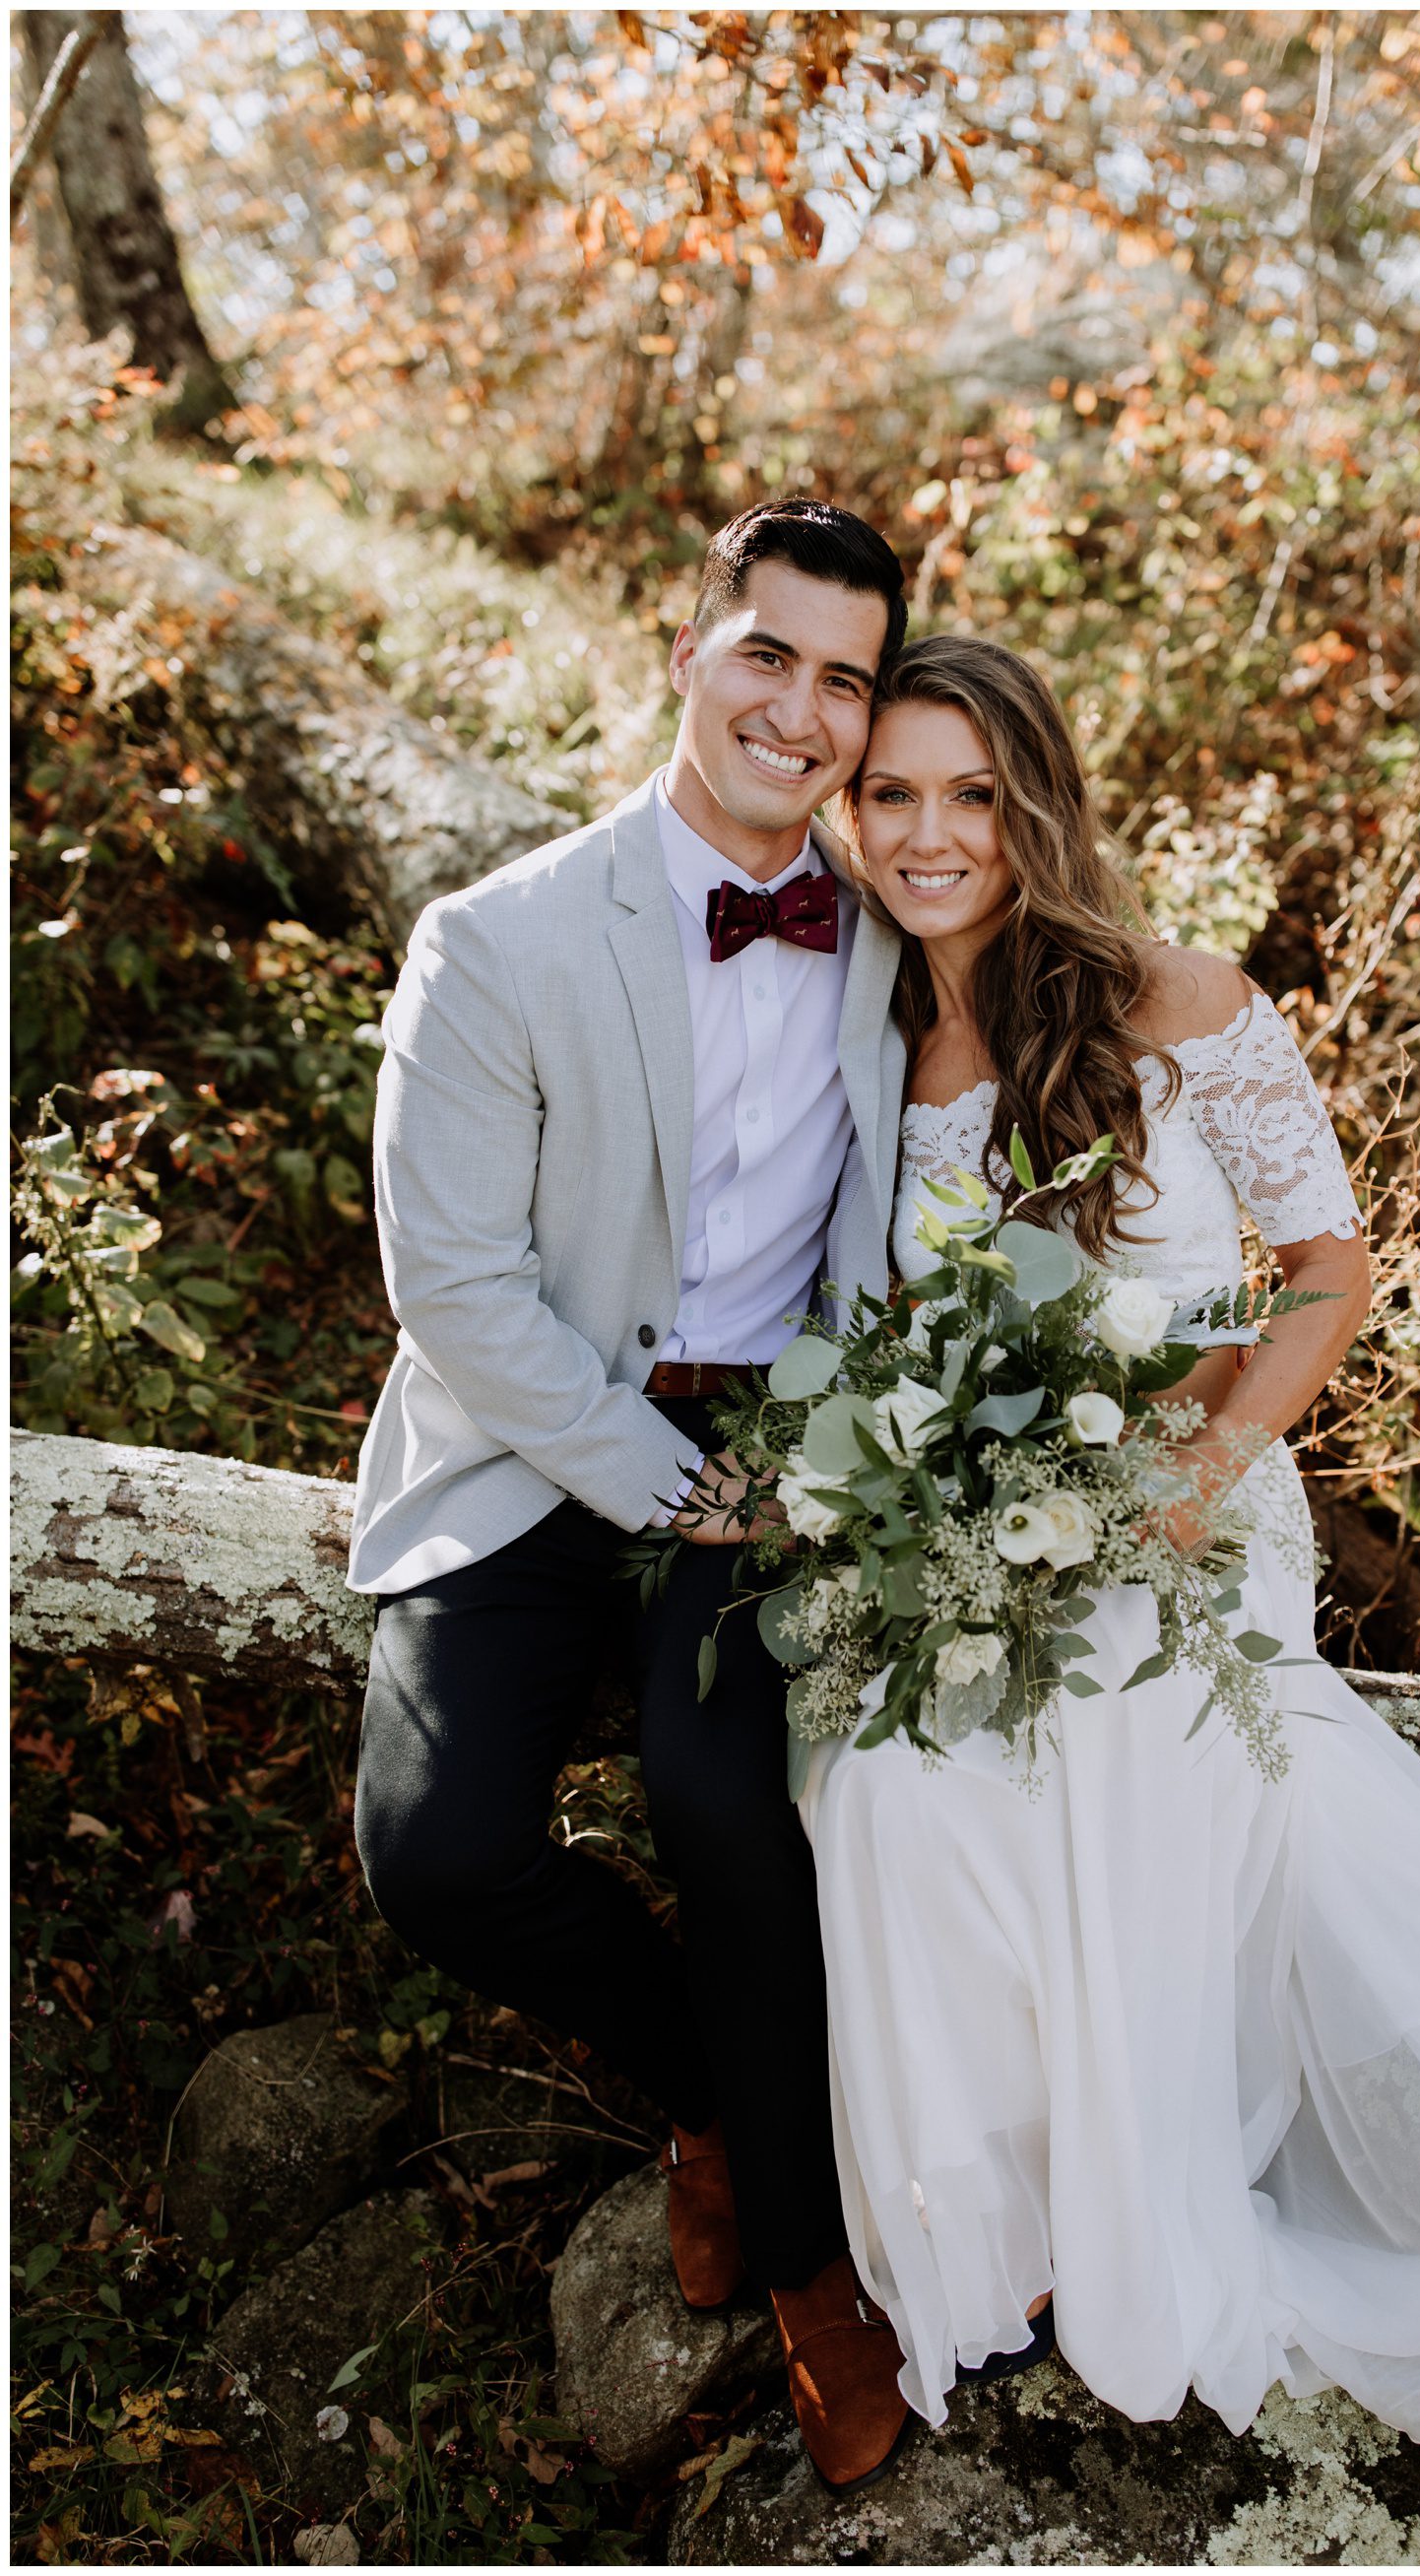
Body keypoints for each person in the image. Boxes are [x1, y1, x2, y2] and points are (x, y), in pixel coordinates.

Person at [800, 633, 1420, 2563]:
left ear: (1034, 804)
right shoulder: (850, 1043)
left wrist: (1196, 1464)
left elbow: (1318, 1263)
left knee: (1132, 1744)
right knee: (885, 1782)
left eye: (971, 792)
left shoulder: (1180, 1004)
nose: (930, 833)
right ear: (845, 810)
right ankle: (1004, 2230)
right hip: (986, 1521)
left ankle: (1184, 2196)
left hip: (1194, 1511)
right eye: (890, 793)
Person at [348, 498, 918, 2493]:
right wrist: (651, 1483)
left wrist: (811, 1462)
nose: (799, 707)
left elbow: (897, 1231)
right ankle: (714, 2094)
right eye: (768, 653)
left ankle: (810, 2262)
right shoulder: (498, 939)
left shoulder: (889, 944)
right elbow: (454, 1291)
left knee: (722, 1803)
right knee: (433, 1850)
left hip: (770, 1443)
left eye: (841, 677)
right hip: (535, 1436)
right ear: (686, 649)